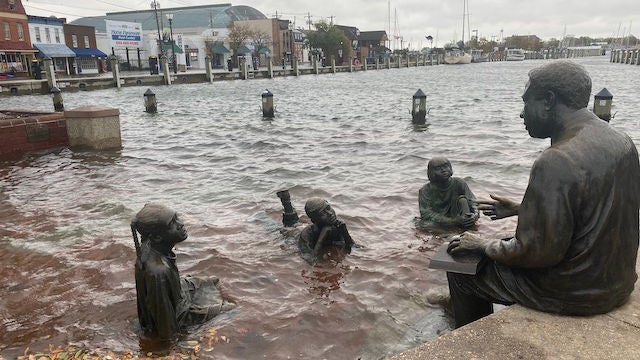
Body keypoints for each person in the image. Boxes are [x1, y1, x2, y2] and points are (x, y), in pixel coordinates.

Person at [445, 61, 640, 328]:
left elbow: (536, 253)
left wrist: (482, 245)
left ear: (549, 100)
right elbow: (594, 208)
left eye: (527, 103)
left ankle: (466, 340)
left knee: (459, 265)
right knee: (500, 244)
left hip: (577, 293)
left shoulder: (556, 160)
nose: (522, 114)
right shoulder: (623, 141)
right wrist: (522, 209)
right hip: (618, 282)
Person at [131, 203, 235, 342]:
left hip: (177, 295)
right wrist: (173, 345)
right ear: (157, 237)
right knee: (231, 310)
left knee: (213, 281)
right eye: (172, 223)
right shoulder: (159, 271)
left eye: (177, 218)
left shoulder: (153, 251)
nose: (181, 224)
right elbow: (165, 323)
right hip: (179, 314)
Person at [418, 157, 479, 229]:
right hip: (441, 221)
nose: (443, 170)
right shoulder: (425, 190)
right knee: (424, 225)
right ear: (432, 172)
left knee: (463, 200)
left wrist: (475, 214)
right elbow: (426, 214)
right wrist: (451, 221)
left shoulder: (459, 183)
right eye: (438, 168)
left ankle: (466, 226)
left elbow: (473, 202)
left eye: (445, 166)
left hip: (459, 215)